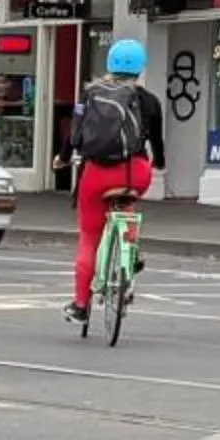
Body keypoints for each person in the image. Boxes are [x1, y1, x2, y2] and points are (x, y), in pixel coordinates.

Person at [68, 39, 164, 324]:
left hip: (98, 173)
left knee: (89, 237)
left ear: (108, 64)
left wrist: (62, 157)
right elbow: (157, 142)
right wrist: (159, 162)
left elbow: (74, 135)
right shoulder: (150, 101)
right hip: (136, 171)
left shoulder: (91, 95)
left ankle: (81, 306)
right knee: (127, 202)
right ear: (140, 68)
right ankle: (129, 252)